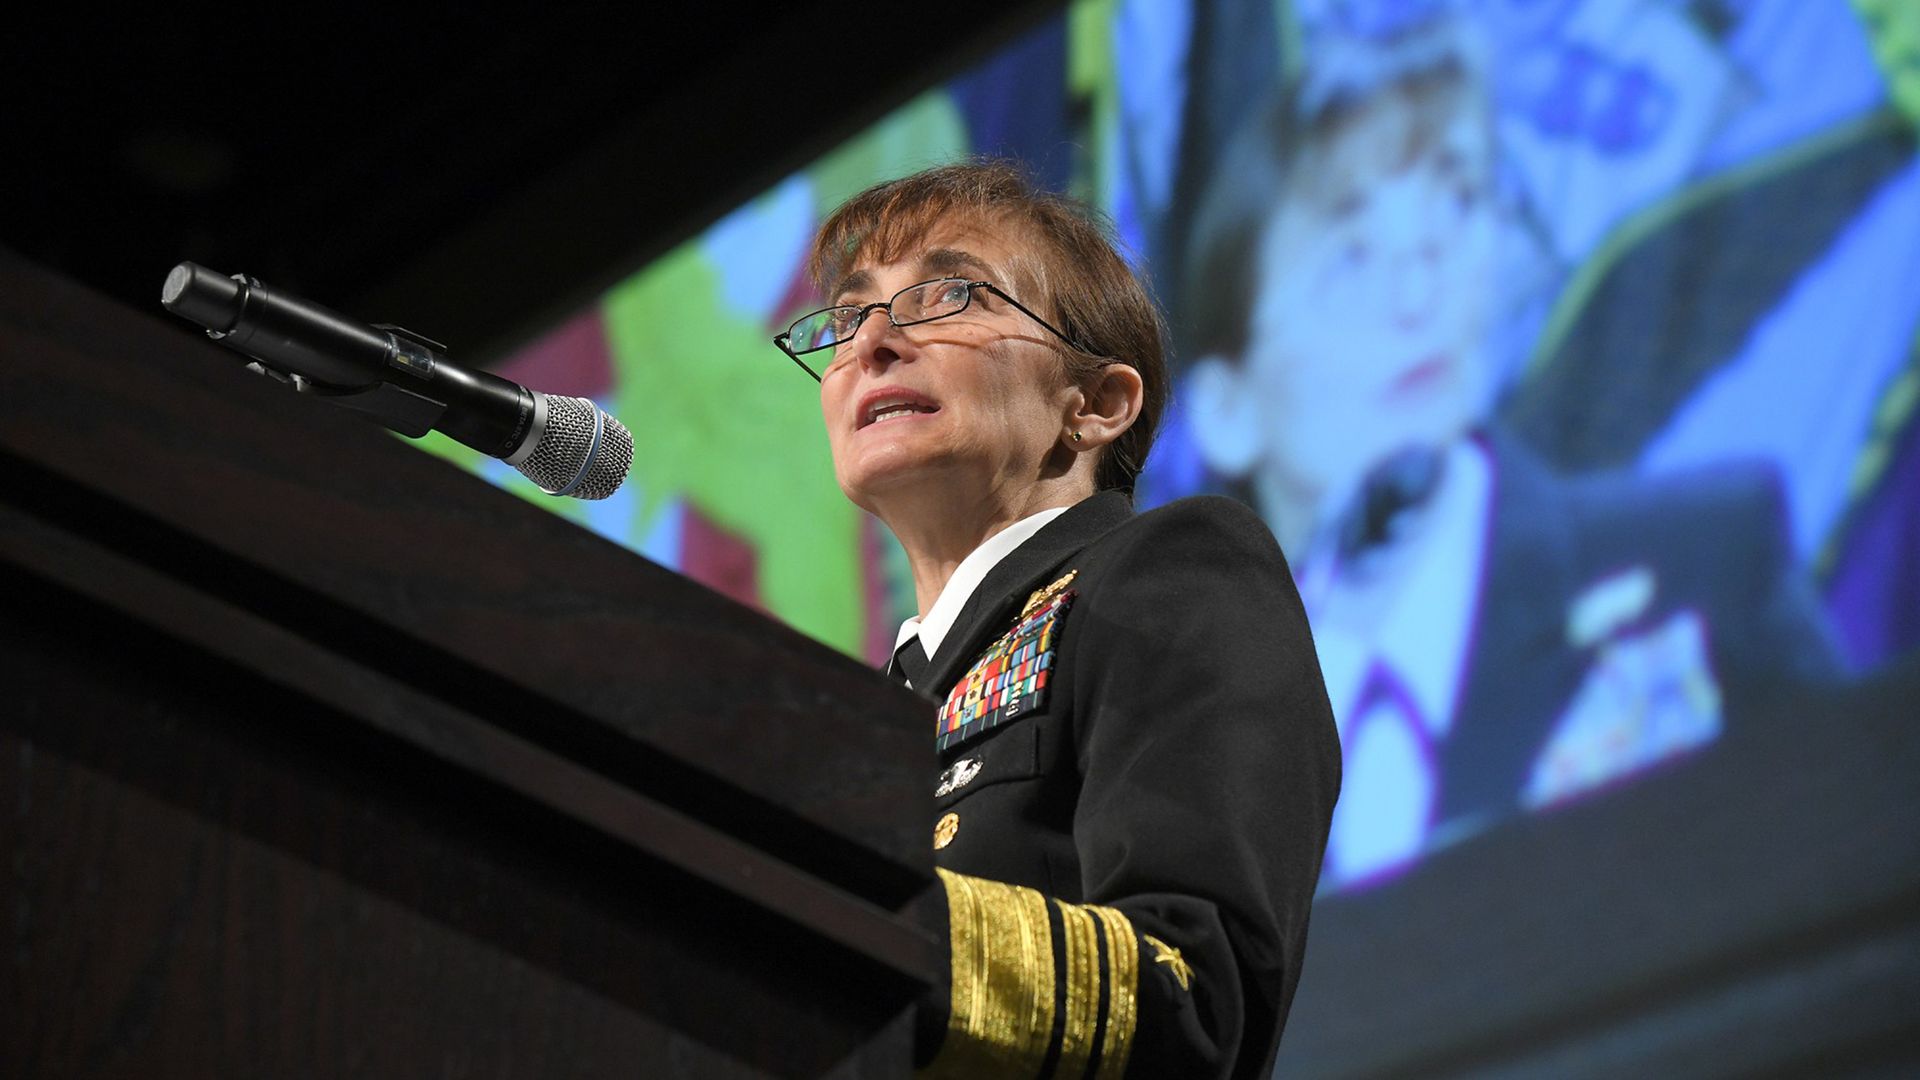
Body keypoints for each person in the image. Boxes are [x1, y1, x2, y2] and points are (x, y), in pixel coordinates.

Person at [1178, 19, 1841, 889]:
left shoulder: (1703, 566)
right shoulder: (1188, 782)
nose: (1423, 292)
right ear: (1228, 410)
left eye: (1456, 209)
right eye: (1350, 260)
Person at [773, 161, 1340, 1079]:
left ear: (1095, 405)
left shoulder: (1174, 571)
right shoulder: (855, 723)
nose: (871, 343)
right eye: (848, 316)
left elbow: (1196, 997)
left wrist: (838, 930)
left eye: (947, 294)